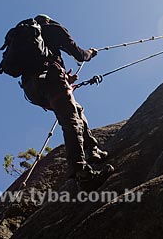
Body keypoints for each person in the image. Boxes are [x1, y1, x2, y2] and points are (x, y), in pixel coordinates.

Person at [19, 14, 111, 184]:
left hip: (32, 90)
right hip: (52, 81)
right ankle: (81, 172)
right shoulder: (53, 29)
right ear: (47, 21)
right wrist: (91, 53)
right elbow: (79, 54)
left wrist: (65, 80)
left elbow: (40, 68)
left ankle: (92, 150)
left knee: (77, 110)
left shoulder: (26, 43)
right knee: (71, 120)